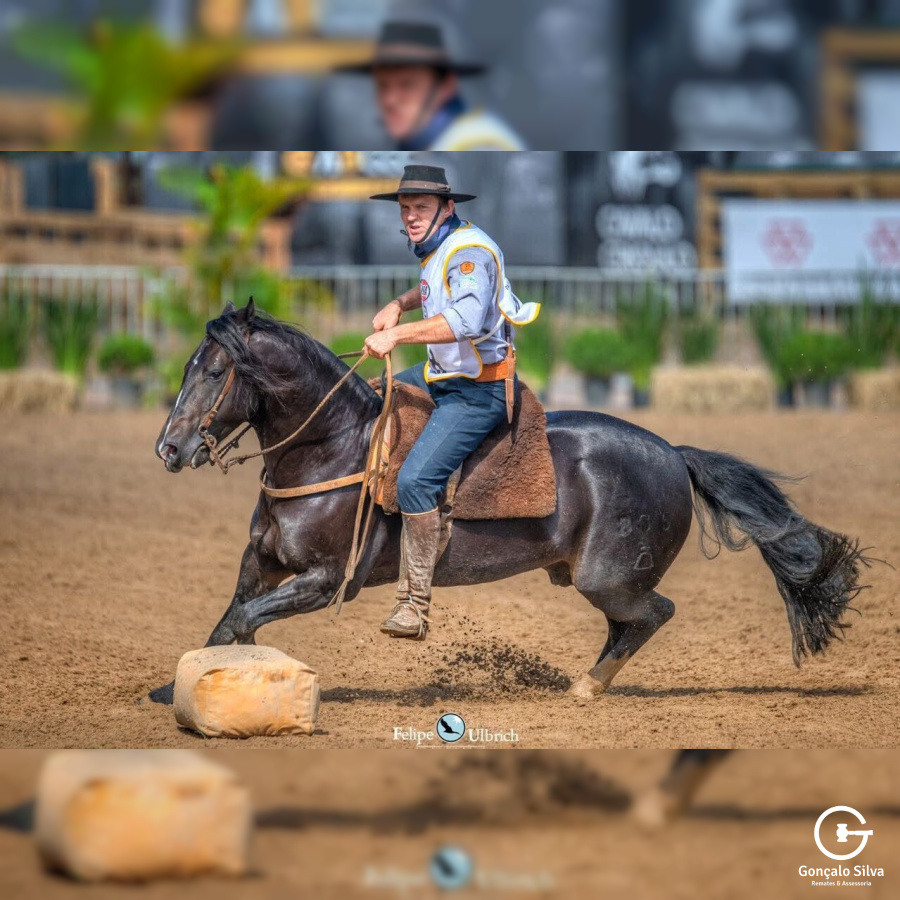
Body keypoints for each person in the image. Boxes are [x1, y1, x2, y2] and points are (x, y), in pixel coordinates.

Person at [363, 164, 540, 639]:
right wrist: (399, 304)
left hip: (477, 390)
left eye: (421, 207)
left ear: (447, 207)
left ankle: (413, 605)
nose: (411, 216)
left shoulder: (470, 252)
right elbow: (434, 288)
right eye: (405, 208)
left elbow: (465, 319)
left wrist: (397, 334)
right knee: (368, 398)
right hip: (441, 376)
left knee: (416, 481)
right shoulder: (442, 246)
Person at [337, 20, 526, 151]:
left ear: (446, 86)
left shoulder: (480, 145)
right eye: (382, 86)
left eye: (407, 85)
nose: (390, 100)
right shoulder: (424, 141)